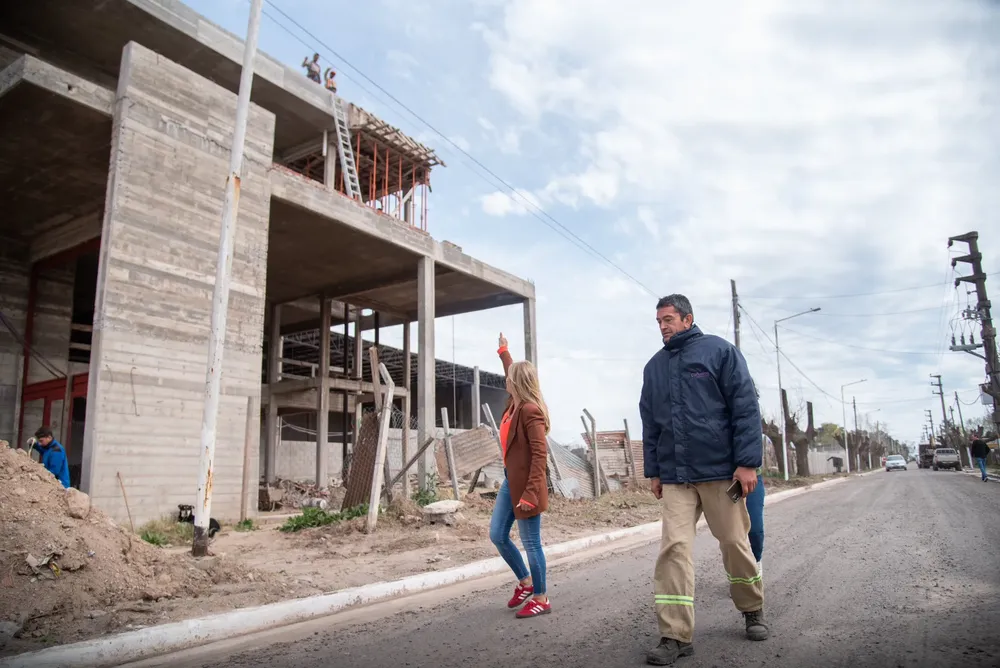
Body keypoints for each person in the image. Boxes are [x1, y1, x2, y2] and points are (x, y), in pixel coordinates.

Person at [640, 294, 767, 665]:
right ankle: (675, 635)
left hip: (719, 472)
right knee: (673, 549)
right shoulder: (654, 368)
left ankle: (752, 608)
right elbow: (650, 422)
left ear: (687, 318)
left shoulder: (719, 352)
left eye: (668, 319)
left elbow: (745, 407)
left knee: (734, 543)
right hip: (677, 476)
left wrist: (747, 463)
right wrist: (655, 471)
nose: (663, 325)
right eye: (658, 320)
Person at [489, 332, 552, 619]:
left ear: (517, 383)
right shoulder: (514, 402)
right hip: (509, 480)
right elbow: (511, 368)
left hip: (527, 485)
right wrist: (504, 351)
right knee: (498, 534)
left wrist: (529, 493)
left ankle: (541, 597)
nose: (505, 379)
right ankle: (525, 582)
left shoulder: (529, 411)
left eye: (509, 376)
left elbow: (540, 456)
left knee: (531, 543)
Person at [746, 435, 767, 575]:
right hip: (720, 480)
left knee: (755, 527)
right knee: (730, 536)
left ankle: (756, 560)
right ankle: (739, 573)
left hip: (751, 477)